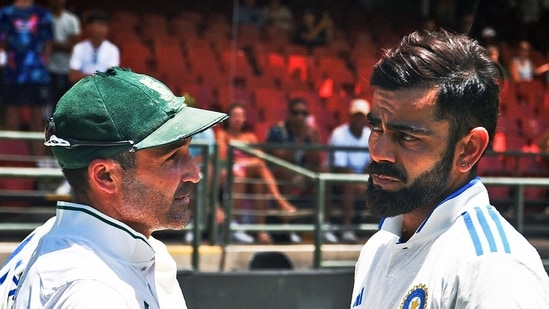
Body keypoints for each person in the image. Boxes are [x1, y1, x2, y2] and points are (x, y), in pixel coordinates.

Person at [350, 29, 549, 308]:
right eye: (376, 128)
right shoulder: (378, 247)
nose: (378, 152)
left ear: (468, 150)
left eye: (407, 137)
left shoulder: (494, 269)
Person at [0, 67, 228, 308]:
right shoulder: (93, 293)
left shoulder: (51, 235)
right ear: (106, 176)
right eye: (171, 157)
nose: (195, 174)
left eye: (188, 151)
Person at [217, 102, 297, 243]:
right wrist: (244, 162)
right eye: (235, 116)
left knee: (259, 183)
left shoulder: (250, 137)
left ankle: (261, 231)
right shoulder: (222, 135)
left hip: (248, 174)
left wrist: (244, 163)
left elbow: (261, 157)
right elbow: (222, 156)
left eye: (241, 116)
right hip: (229, 172)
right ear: (228, 118)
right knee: (242, 174)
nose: (238, 119)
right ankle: (279, 201)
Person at [0, 0, 53, 155]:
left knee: (37, 119)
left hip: (37, 74)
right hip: (12, 73)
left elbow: (48, 44)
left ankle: (39, 165)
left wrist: (42, 65)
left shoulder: (43, 14)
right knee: (12, 119)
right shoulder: (5, 14)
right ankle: (12, 164)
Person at [327, 98, 371, 243]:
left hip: (363, 178)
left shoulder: (369, 134)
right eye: (356, 115)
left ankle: (383, 231)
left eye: (362, 116)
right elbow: (340, 166)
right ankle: (347, 228)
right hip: (339, 179)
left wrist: (363, 180)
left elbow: (371, 163)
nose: (359, 119)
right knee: (349, 186)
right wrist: (358, 181)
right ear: (350, 116)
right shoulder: (339, 133)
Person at [68, 10, 119, 83]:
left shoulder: (113, 50)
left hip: (103, 89)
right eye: (99, 25)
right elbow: (73, 77)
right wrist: (94, 76)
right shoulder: (79, 48)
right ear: (89, 27)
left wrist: (89, 76)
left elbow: (112, 77)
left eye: (104, 25)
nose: (102, 29)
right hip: (82, 88)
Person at [47, 0, 80, 108]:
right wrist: (61, 45)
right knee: (47, 106)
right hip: (47, 70)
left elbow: (73, 46)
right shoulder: (44, 18)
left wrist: (51, 45)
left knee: (64, 105)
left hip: (67, 69)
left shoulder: (72, 20)